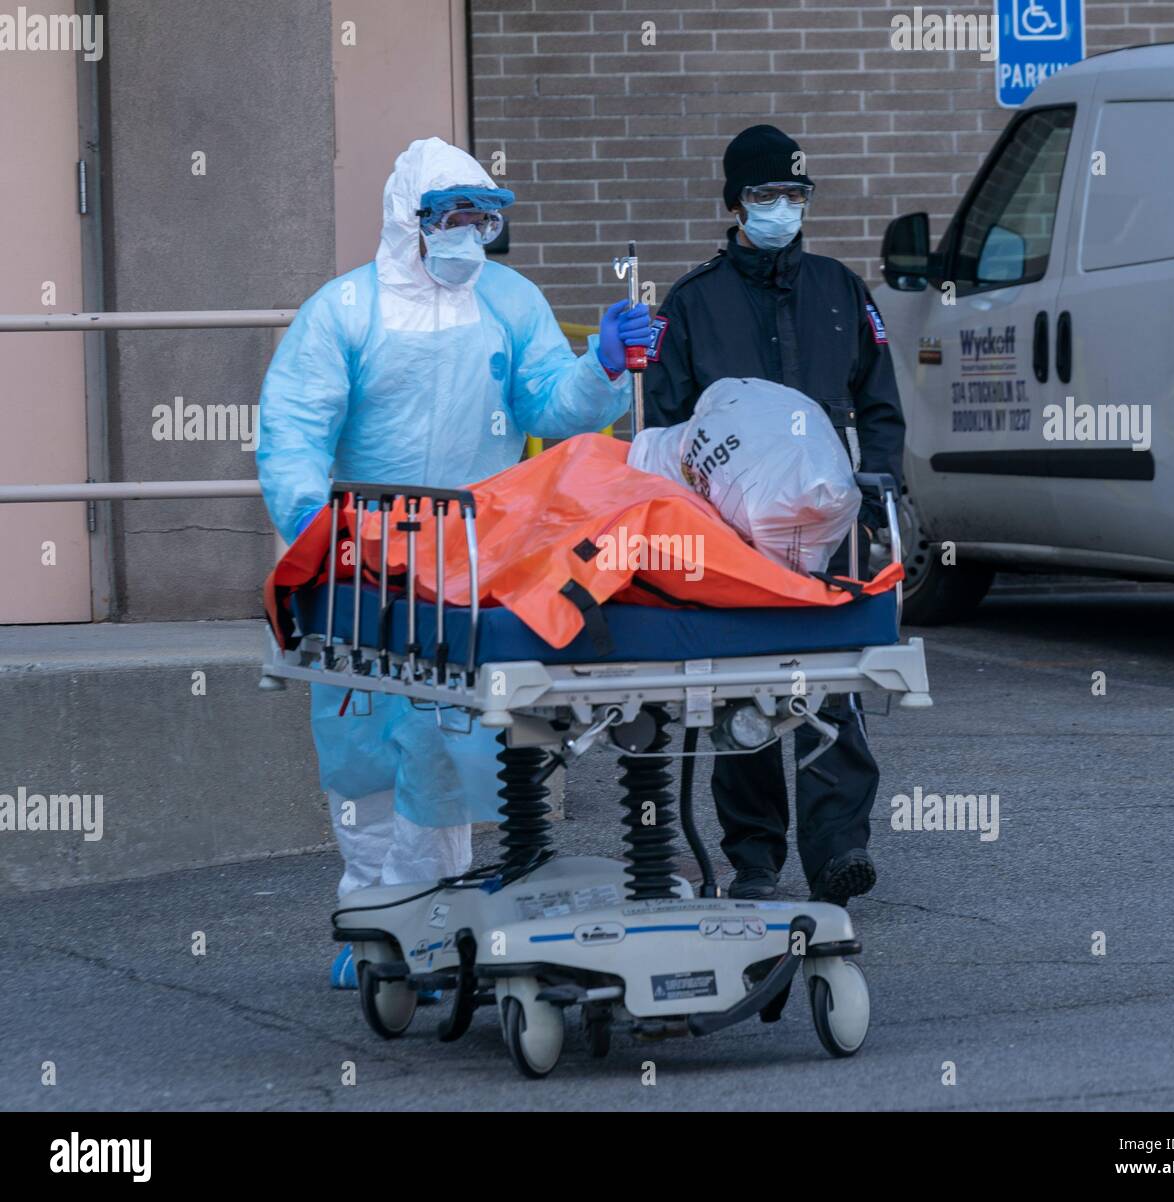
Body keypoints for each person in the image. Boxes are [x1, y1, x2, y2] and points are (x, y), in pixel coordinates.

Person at [257, 137, 650, 986]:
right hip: (366, 566)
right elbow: (292, 436)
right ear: (412, 221)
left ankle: (436, 917)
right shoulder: (343, 313)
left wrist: (602, 367)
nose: (470, 231)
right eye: (452, 216)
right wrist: (317, 536)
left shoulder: (508, 301)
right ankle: (371, 918)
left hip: (477, 560)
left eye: (483, 215)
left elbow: (552, 402)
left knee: (454, 742)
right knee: (365, 746)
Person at [643, 124, 905, 906]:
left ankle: (837, 850)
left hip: (829, 524)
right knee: (745, 693)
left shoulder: (839, 290)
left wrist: (881, 492)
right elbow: (664, 427)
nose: (782, 208)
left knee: (832, 685)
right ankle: (754, 857)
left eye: (795, 194)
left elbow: (880, 403)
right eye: (765, 196)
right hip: (732, 536)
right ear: (733, 203)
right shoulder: (694, 304)